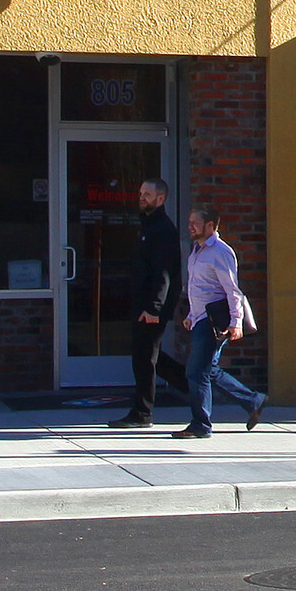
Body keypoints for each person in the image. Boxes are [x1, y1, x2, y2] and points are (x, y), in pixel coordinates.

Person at [172, 203, 267, 439]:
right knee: (208, 369)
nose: (190, 226)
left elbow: (232, 290)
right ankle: (253, 400)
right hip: (200, 318)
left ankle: (200, 425)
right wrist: (191, 316)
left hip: (215, 321)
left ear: (211, 226)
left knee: (196, 372)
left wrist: (236, 322)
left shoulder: (221, 252)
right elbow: (199, 288)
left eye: (195, 222)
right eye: (189, 222)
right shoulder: (197, 250)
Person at [108, 177, 186, 428]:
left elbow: (163, 273)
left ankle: (142, 414)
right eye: (141, 193)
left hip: (152, 308)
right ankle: (195, 386)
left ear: (160, 199)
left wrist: (154, 309)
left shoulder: (162, 229)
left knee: (143, 359)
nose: (142, 197)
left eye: (148, 194)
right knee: (150, 356)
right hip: (144, 304)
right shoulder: (148, 226)